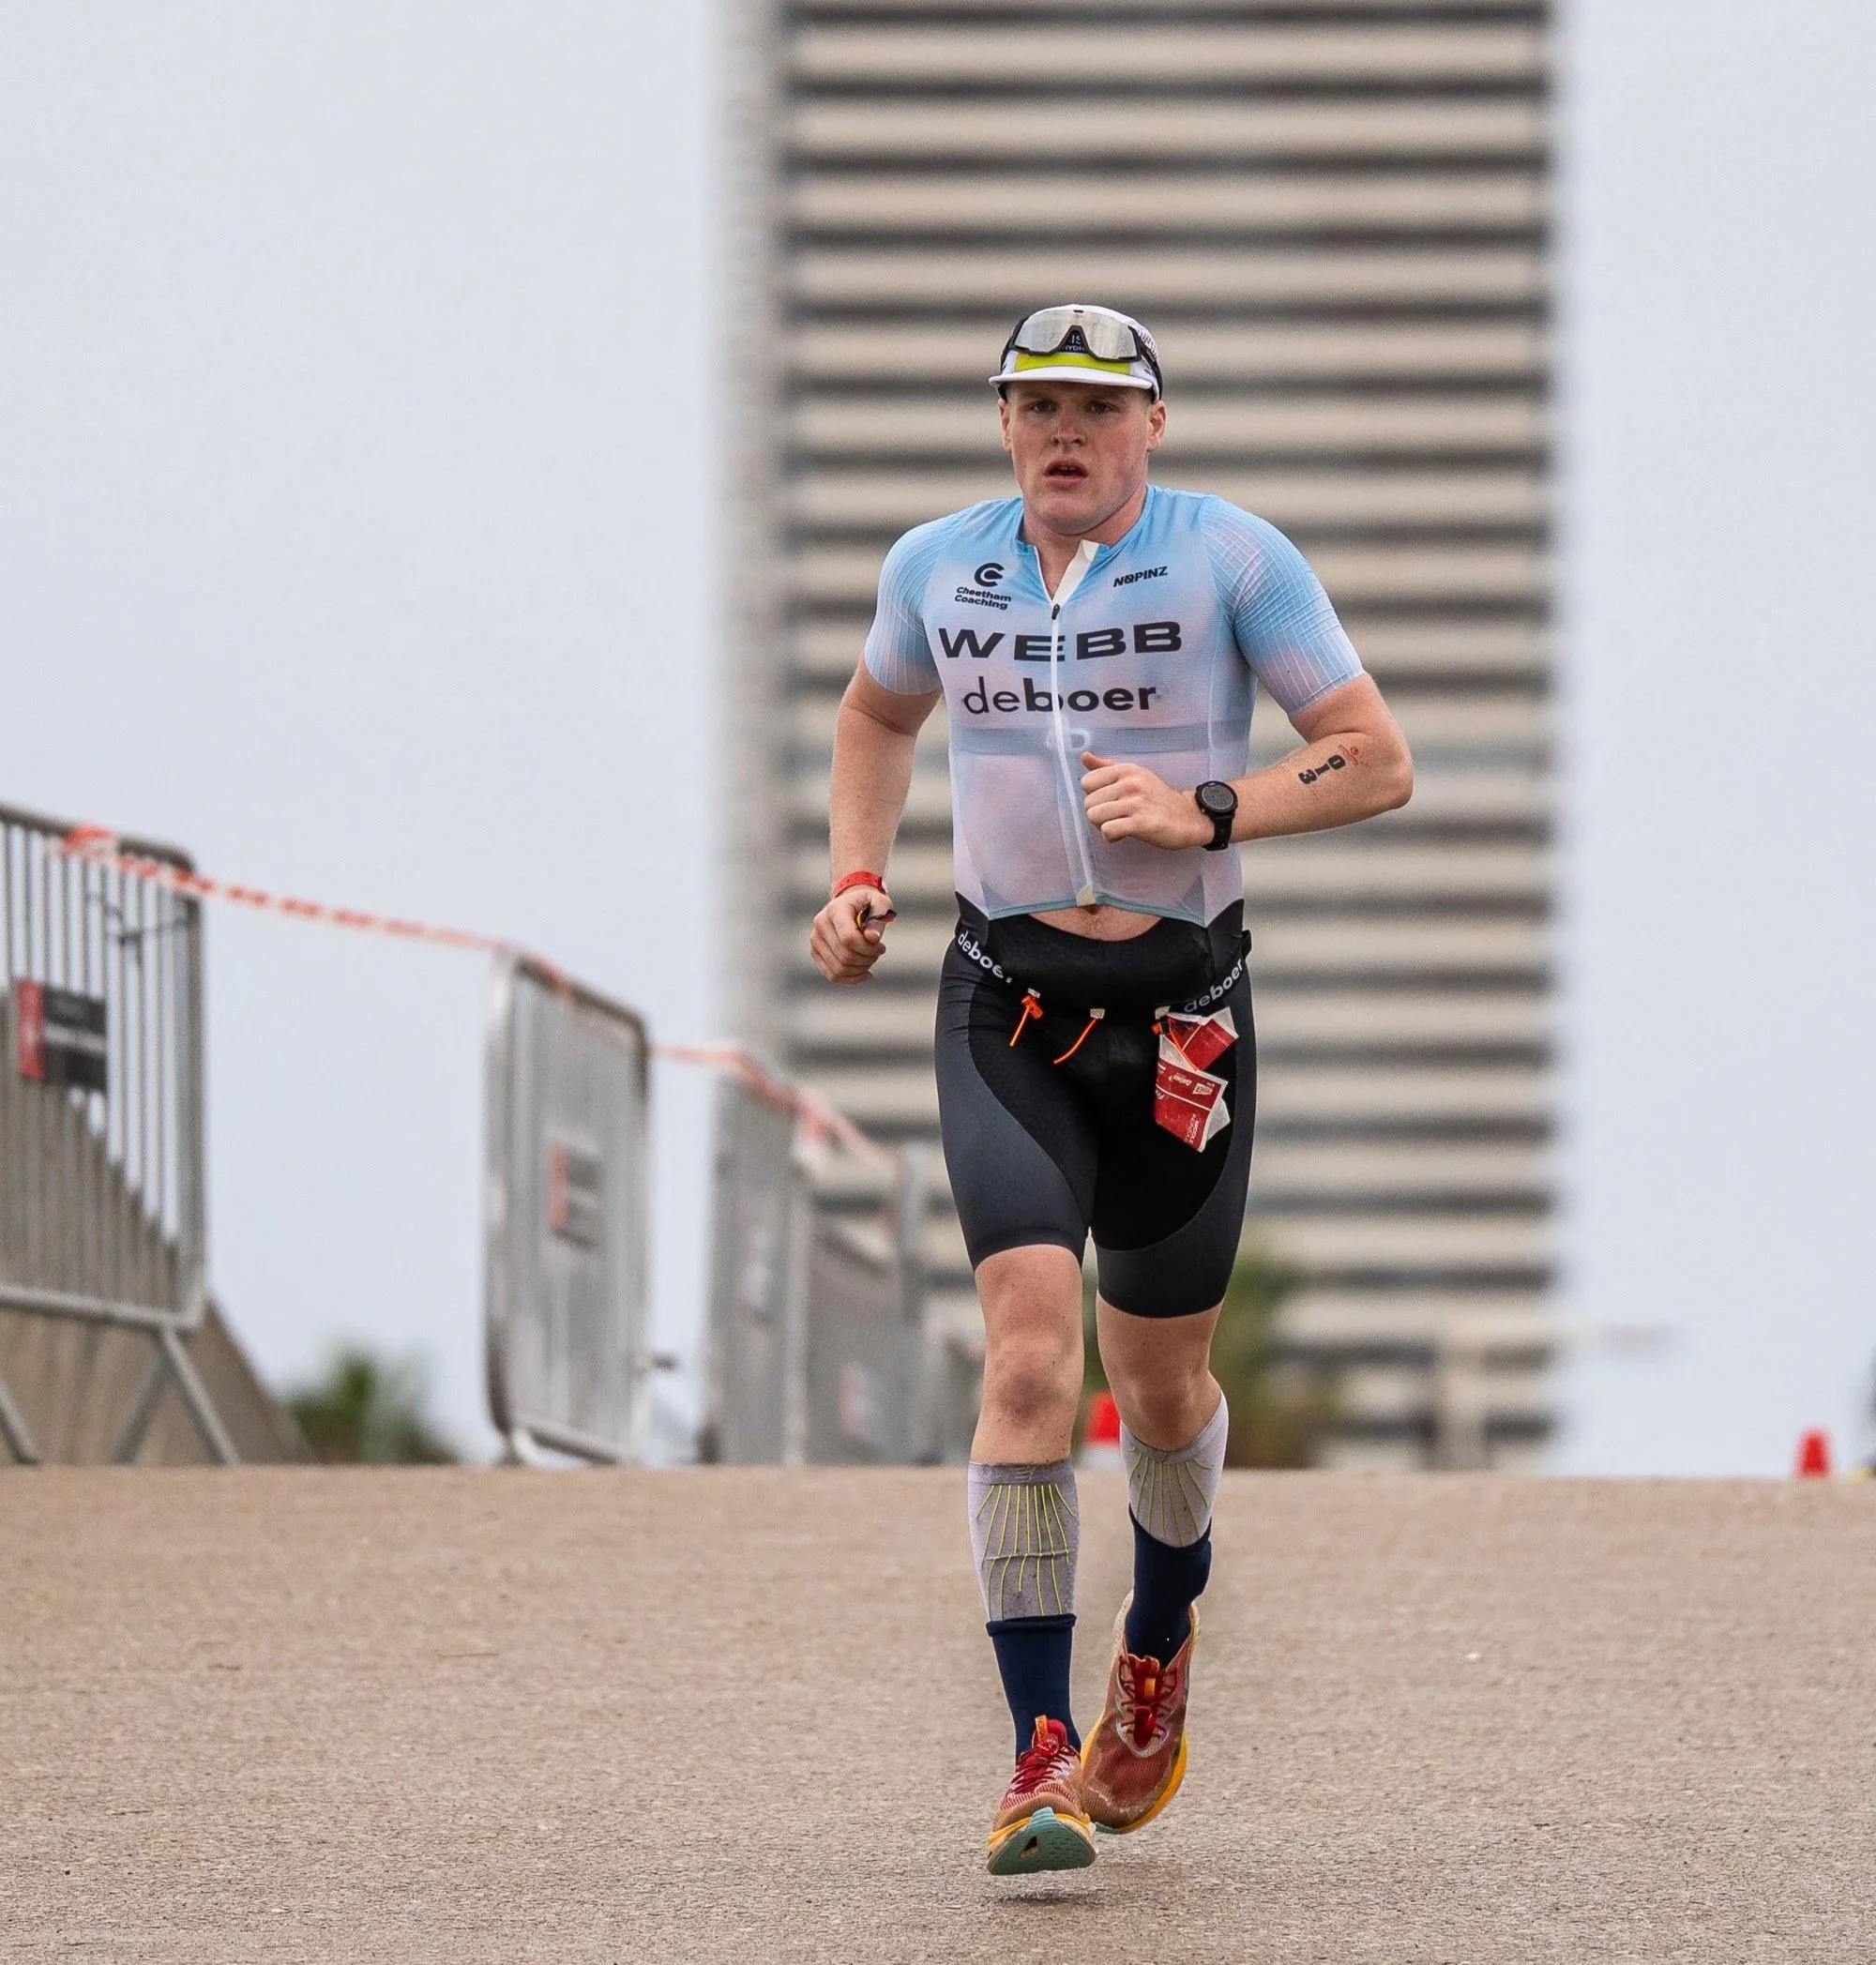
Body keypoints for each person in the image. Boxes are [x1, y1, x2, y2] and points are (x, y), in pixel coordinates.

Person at [808, 304, 1414, 1874]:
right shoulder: (937, 565)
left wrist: (1211, 804)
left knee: (1158, 1392)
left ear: (1153, 424)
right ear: (1004, 425)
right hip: (1005, 1009)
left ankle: (1157, 1638)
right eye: (1034, 407)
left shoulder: (1232, 559)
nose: (1062, 434)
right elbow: (878, 713)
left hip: (1185, 1025)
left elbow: (1375, 754)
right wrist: (858, 875)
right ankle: (1036, 1753)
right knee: (1026, 1364)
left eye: (1094, 407)